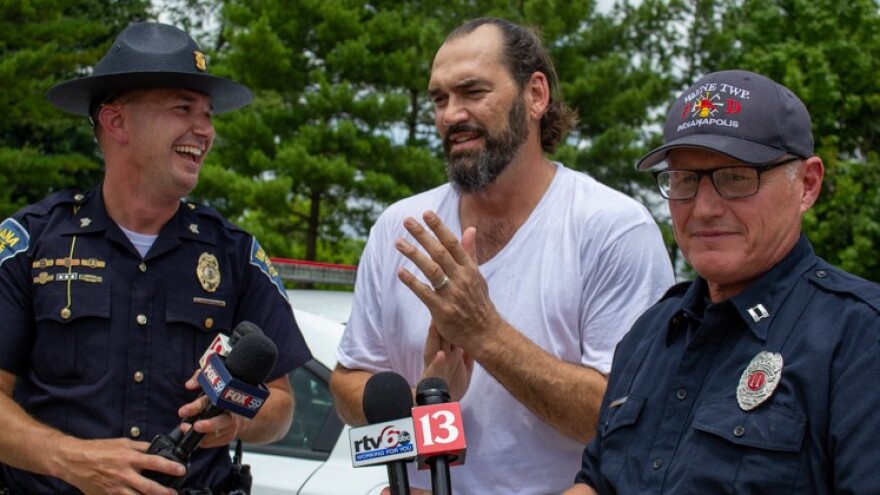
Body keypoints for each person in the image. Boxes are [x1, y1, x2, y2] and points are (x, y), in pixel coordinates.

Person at [330, 17, 674, 494]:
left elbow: (621, 421)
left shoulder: (613, 229)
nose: (451, 115)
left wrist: (484, 333)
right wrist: (423, 401)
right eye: (439, 98)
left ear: (536, 95)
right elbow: (347, 383)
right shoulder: (398, 227)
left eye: (472, 91)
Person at [0, 22, 312, 494]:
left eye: (208, 114)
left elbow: (282, 406)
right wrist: (69, 459)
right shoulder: (30, 242)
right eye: (183, 108)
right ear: (116, 121)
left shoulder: (234, 253)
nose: (205, 130)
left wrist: (237, 422)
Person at [565, 69, 880, 495]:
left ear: (807, 184)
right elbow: (597, 483)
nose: (705, 208)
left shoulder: (860, 337)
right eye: (685, 180)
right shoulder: (647, 335)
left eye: (735, 177)